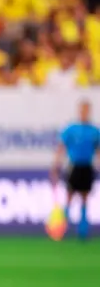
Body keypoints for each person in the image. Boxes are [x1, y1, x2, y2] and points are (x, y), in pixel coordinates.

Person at [51, 99, 99, 240]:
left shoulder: (94, 131)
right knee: (69, 196)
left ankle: (83, 230)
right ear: (79, 111)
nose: (84, 112)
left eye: (86, 109)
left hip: (87, 166)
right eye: (82, 109)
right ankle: (62, 229)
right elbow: (61, 148)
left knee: (85, 197)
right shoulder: (71, 129)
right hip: (74, 166)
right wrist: (56, 165)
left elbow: (98, 150)